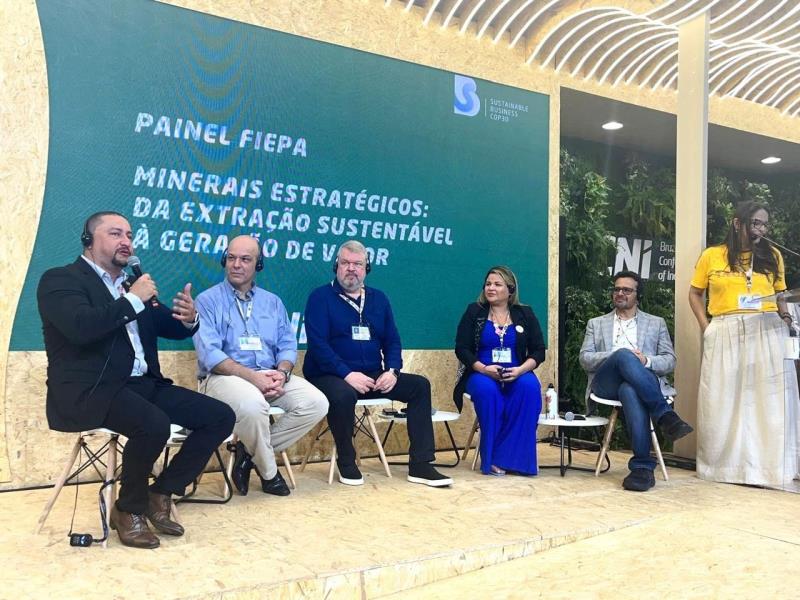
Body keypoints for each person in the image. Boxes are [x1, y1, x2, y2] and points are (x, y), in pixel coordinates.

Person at [37, 212, 235, 548]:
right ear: (88, 240)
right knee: (153, 424)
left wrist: (189, 319)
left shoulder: (132, 286)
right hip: (92, 389)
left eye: (129, 235)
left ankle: (162, 492)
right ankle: (128, 509)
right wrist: (132, 300)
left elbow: (168, 326)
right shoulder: (61, 280)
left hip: (143, 385)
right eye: (116, 234)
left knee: (220, 416)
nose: (126, 242)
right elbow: (81, 328)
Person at [303, 240, 453, 487]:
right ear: (336, 266)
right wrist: (347, 374)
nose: (351, 269)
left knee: (419, 386)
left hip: (371, 374)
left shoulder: (379, 299)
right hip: (330, 375)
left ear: (367, 268)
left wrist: (392, 371)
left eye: (357, 264)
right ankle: (347, 461)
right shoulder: (320, 297)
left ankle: (421, 465)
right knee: (342, 395)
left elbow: (392, 340)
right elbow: (318, 345)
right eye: (345, 263)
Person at [193, 235, 328, 496]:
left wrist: (283, 372)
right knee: (254, 405)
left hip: (270, 374)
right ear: (224, 260)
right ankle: (269, 474)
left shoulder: (272, 302)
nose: (236, 264)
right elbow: (211, 356)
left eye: (245, 259)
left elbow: (287, 345)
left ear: (258, 264)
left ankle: (248, 452)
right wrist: (253, 379)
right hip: (224, 378)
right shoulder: (207, 301)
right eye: (231, 258)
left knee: (317, 402)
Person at [689, 201, 800, 487]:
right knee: (722, 399)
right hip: (725, 328)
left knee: (767, 402)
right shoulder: (712, 255)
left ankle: (767, 470)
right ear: (737, 223)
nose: (761, 229)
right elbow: (694, 293)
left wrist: (787, 319)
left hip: (766, 329)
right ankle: (723, 470)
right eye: (756, 223)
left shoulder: (773, 255)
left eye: (765, 224)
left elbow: (781, 295)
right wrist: (706, 327)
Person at [580, 270, 692, 492]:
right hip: (606, 383)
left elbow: (669, 360)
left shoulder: (656, 323)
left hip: (639, 383)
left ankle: (642, 468)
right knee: (623, 355)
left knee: (630, 389)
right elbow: (585, 358)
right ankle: (665, 415)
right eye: (617, 289)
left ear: (638, 295)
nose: (620, 293)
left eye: (627, 290)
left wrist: (646, 360)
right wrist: (616, 355)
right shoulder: (596, 323)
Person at [453, 266, 545, 476]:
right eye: (488, 284)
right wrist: (484, 369)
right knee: (488, 392)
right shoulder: (474, 312)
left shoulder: (525, 313)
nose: (491, 288)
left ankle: (514, 459)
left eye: (497, 284)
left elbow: (539, 351)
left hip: (517, 371)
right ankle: (493, 458)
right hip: (481, 372)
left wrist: (520, 370)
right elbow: (462, 349)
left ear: (510, 290)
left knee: (529, 388)